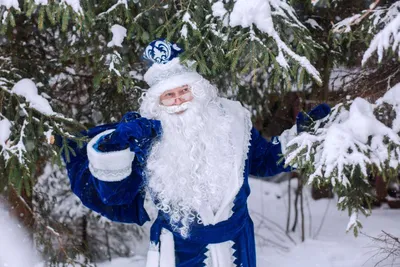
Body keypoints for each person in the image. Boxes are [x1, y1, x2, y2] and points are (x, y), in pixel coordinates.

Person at [62, 39, 330, 267]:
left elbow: (265, 161)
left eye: (184, 90)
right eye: (168, 95)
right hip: (177, 253)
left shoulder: (233, 120)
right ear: (157, 101)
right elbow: (115, 197)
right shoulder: (144, 138)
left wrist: (301, 137)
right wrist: (119, 145)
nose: (178, 100)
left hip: (237, 247)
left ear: (197, 90)